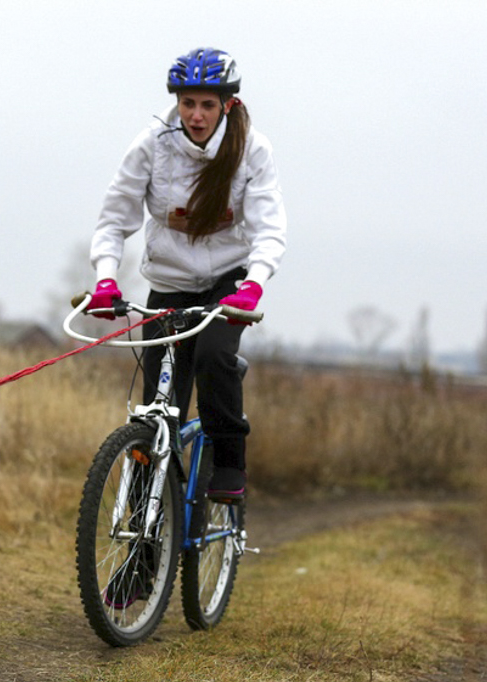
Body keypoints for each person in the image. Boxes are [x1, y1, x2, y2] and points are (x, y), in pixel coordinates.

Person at [86, 46, 286, 500]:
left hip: (227, 281)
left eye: (208, 105)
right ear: (177, 102)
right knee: (156, 412)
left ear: (227, 104)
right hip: (169, 281)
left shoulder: (252, 149)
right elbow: (115, 217)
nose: (196, 115)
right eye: (188, 103)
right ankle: (141, 551)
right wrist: (105, 278)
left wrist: (253, 284)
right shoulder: (151, 145)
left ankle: (230, 459)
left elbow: (269, 227)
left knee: (214, 357)